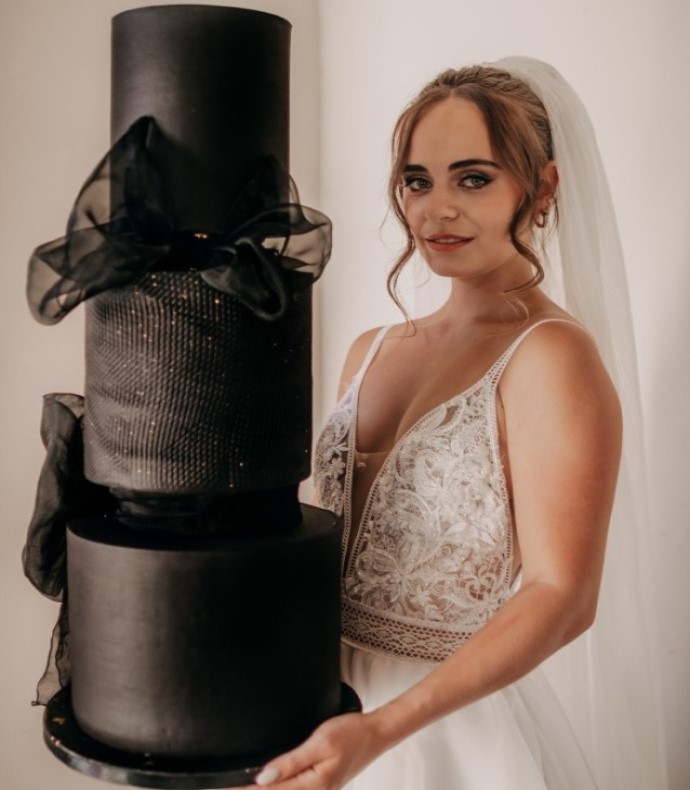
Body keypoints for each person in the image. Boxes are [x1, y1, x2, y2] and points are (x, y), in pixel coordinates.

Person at [241, 58, 667, 790]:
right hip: (312, 707)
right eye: (418, 180)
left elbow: (563, 596)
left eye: (473, 179)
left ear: (543, 189)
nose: (436, 210)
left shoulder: (550, 356)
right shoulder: (370, 350)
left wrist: (382, 729)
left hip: (443, 731)